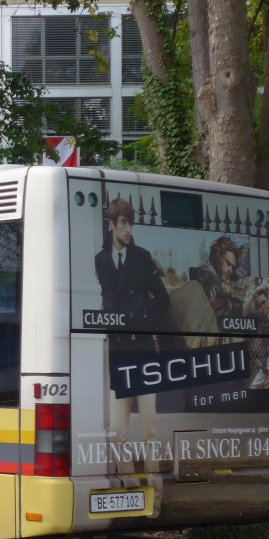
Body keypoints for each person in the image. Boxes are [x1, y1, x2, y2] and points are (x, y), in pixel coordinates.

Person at [93, 198, 170, 471]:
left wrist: (139, 314)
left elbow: (163, 300)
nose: (128, 229)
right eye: (123, 223)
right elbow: (107, 299)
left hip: (144, 353)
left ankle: (155, 498)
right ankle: (132, 485)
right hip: (120, 353)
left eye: (131, 223)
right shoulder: (101, 260)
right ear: (112, 224)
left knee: (149, 431)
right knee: (116, 433)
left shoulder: (142, 257)